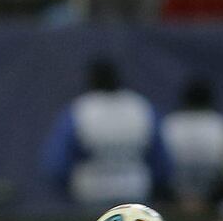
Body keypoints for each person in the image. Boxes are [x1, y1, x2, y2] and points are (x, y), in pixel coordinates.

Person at [41, 58, 171, 207]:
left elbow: (57, 164)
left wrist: (67, 187)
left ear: (91, 80)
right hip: (135, 189)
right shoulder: (141, 108)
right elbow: (162, 162)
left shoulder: (79, 110)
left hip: (91, 191)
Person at [161, 77, 223, 214]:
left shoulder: (169, 126)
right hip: (214, 206)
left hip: (176, 205)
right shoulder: (222, 127)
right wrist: (207, 202)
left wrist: (182, 201)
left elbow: (159, 172)